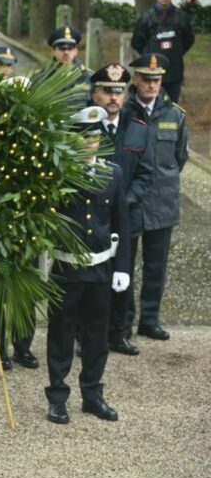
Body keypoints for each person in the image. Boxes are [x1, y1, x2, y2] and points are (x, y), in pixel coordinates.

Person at [45, 107, 130, 425]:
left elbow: (122, 219)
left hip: (100, 268)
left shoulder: (113, 173)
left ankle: (92, 395)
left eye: (94, 137)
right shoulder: (58, 173)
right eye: (82, 137)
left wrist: (122, 267)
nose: (89, 143)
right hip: (66, 268)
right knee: (61, 334)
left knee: (96, 335)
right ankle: (57, 397)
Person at [90, 63, 155, 356]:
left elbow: (146, 174)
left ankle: (119, 333)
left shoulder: (139, 130)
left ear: (126, 95)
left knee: (123, 275)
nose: (113, 97)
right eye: (106, 91)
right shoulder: (84, 129)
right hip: (93, 218)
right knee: (91, 278)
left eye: (118, 91)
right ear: (95, 95)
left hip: (126, 217)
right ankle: (87, 334)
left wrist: (125, 201)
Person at [124, 53, 188, 342]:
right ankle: (122, 323)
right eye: (146, 78)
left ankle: (149, 320)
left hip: (161, 202)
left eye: (157, 79)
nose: (151, 84)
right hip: (129, 201)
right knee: (123, 265)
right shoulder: (124, 111)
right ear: (135, 79)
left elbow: (179, 157)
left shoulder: (175, 114)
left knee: (156, 266)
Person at [131, 0, 195, 103]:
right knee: (149, 105)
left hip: (174, 72)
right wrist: (151, 55)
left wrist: (176, 52)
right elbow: (137, 42)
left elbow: (189, 40)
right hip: (151, 71)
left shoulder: (182, 17)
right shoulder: (146, 18)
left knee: (171, 106)